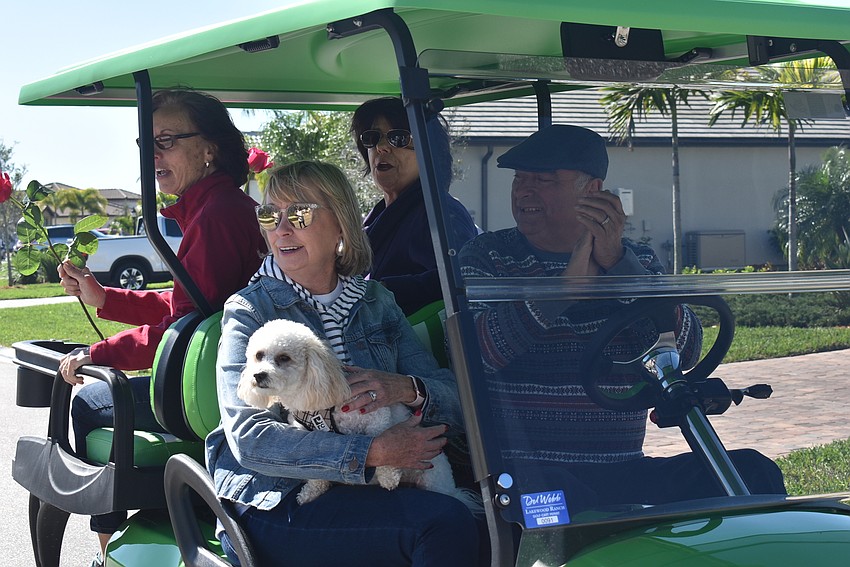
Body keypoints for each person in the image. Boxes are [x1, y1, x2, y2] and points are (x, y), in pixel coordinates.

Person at [458, 124, 786, 511]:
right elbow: (472, 355)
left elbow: (687, 350)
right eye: (519, 179)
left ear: (593, 192)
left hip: (622, 469)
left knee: (753, 472)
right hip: (527, 476)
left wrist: (618, 266)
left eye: (543, 180)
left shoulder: (637, 260)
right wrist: (563, 292)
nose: (523, 191)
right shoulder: (488, 256)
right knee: (557, 498)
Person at [207, 161, 481, 567]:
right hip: (277, 497)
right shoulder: (249, 309)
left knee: (503, 520)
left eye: (298, 214)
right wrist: (371, 452)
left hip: (375, 489)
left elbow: (457, 401)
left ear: (341, 225)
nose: (281, 228)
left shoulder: (376, 302)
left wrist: (405, 388)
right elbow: (249, 437)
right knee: (444, 524)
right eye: (269, 215)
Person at [56, 88, 268, 566]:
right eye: (146, 143)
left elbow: (183, 332)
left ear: (209, 148)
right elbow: (186, 307)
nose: (152, 155)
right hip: (215, 373)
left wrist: (98, 354)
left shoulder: (215, 217)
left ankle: (112, 551)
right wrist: (104, 298)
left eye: (166, 140)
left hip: (212, 385)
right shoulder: (219, 208)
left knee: (90, 402)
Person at [352, 97, 478, 316]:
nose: (381, 147)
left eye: (398, 138)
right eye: (372, 138)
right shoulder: (377, 218)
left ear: (429, 151)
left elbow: (461, 279)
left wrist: (383, 290)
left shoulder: (442, 214)